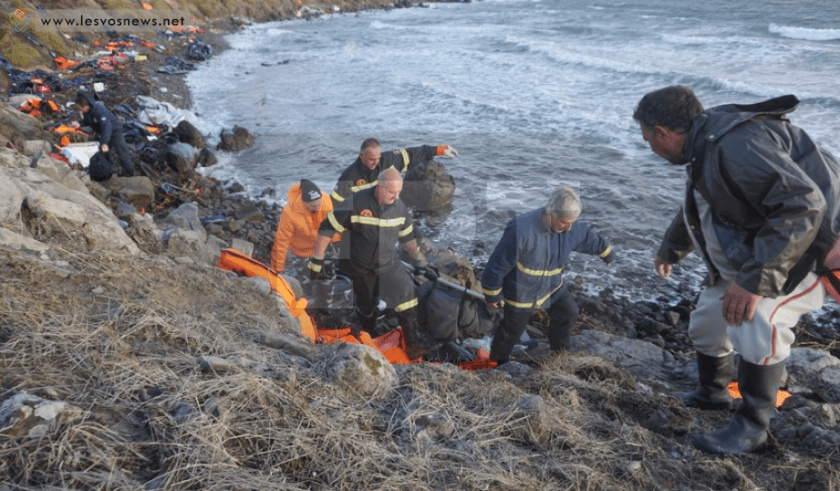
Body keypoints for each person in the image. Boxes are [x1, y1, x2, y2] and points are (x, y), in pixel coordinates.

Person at [633, 85, 840, 455]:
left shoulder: (734, 145)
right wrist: (673, 245)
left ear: (662, 133)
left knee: (758, 316)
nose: (649, 146)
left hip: (819, 249)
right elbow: (703, 198)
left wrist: (754, 282)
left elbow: (803, 206)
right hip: (774, 243)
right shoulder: (705, 139)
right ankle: (713, 394)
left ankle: (753, 427)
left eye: (648, 138)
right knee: (708, 320)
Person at [480, 186, 615, 364]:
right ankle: (497, 362)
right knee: (512, 330)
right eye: (565, 222)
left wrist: (606, 252)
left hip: (552, 286)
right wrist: (492, 292)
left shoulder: (570, 227)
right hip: (521, 290)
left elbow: (587, 238)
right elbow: (498, 262)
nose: (569, 228)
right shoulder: (521, 228)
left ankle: (559, 353)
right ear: (551, 213)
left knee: (569, 313)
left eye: (572, 222)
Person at [310, 168, 431, 354]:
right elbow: (327, 227)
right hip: (361, 268)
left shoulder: (399, 207)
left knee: (407, 293)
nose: (396, 197)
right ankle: (370, 332)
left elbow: (408, 238)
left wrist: (419, 260)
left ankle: (412, 342)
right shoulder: (356, 203)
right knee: (367, 306)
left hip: (388, 264)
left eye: (399, 192)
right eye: (392, 192)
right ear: (379, 187)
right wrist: (317, 260)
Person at [330, 138, 459, 204]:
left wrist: (440, 150)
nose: (375, 163)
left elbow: (413, 154)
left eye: (377, 158)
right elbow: (335, 203)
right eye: (371, 159)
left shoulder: (387, 161)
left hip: (386, 206)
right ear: (361, 155)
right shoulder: (349, 176)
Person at [271, 179, 340, 273]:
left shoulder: (326, 200)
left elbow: (335, 224)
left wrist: (340, 244)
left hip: (325, 243)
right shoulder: (289, 212)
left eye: (319, 204)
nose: (317, 208)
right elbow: (281, 240)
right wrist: (276, 270)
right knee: (306, 278)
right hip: (303, 251)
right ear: (304, 203)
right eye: (313, 206)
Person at [71, 92, 135, 177]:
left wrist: (104, 143)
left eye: (80, 108)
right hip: (104, 132)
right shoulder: (88, 111)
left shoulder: (99, 110)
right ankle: (108, 171)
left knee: (121, 150)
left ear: (85, 106)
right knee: (104, 152)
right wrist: (80, 123)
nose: (79, 110)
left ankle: (130, 173)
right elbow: (88, 121)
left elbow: (107, 127)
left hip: (114, 130)